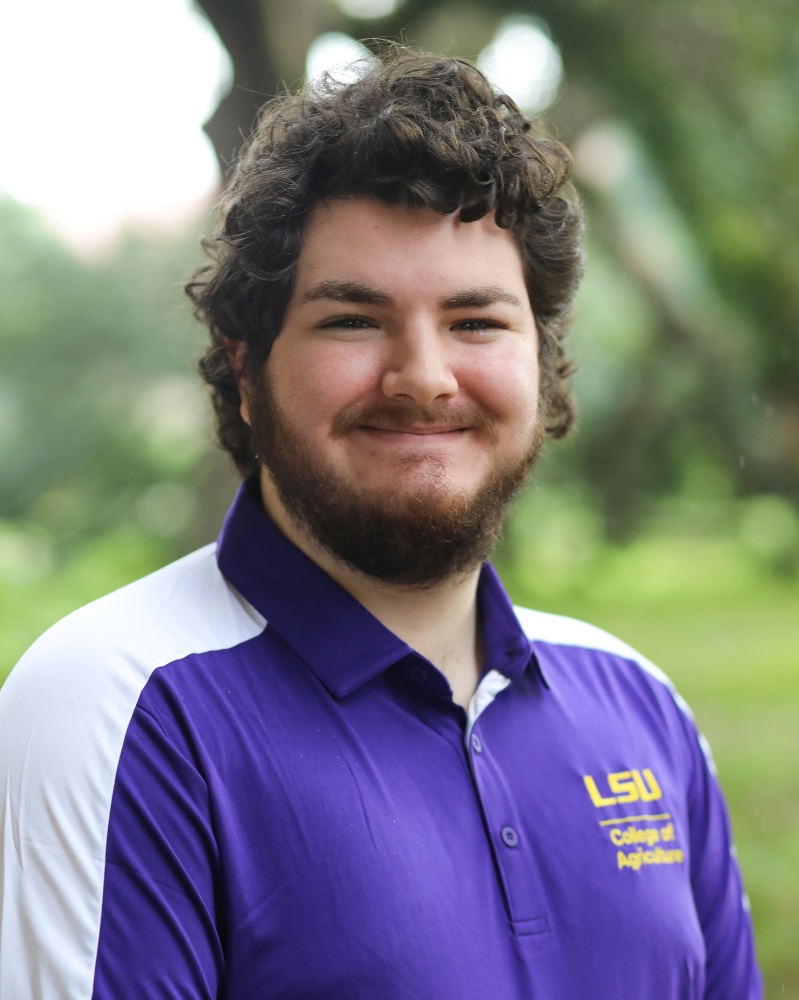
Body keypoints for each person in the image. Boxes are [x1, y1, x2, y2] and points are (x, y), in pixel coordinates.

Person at [0, 45, 760, 999]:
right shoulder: (120, 708)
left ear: (538, 359)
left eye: (476, 322)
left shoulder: (639, 705)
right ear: (245, 370)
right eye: (353, 320)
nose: (424, 378)